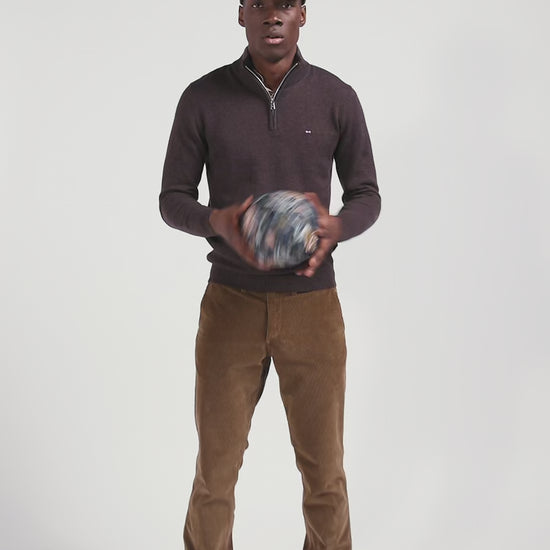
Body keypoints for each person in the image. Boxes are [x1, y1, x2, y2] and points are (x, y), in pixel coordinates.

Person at [159, 1, 381, 548]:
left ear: (303, 13)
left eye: (284, 4)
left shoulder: (336, 97)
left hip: (313, 307)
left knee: (325, 477)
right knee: (214, 476)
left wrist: (335, 227)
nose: (272, 15)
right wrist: (217, 221)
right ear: (241, 14)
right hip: (230, 304)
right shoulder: (202, 97)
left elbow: (366, 195)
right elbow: (172, 198)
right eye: (259, 3)